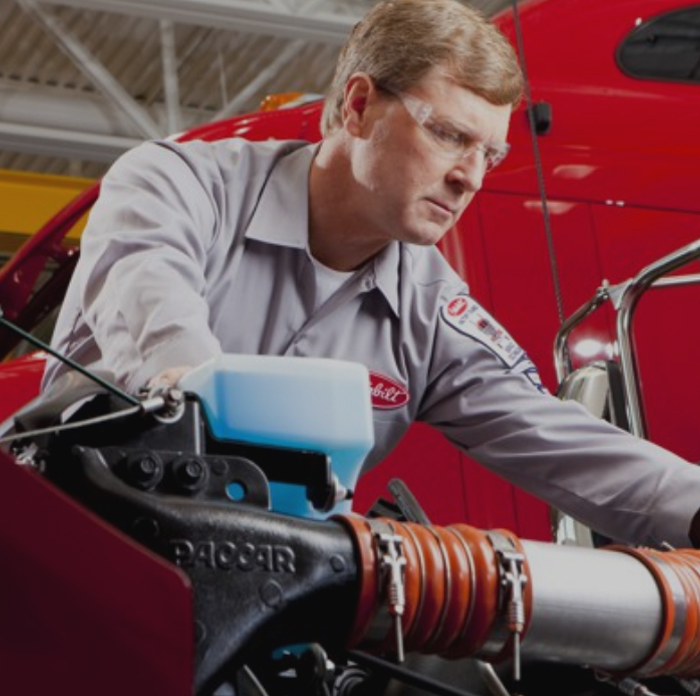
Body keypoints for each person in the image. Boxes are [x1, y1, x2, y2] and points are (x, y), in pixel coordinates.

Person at [43, 0, 700, 549]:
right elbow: (157, 321)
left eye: (490, 153)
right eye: (447, 134)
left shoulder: (430, 310)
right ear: (358, 106)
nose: (470, 177)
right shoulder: (176, 185)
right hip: (77, 557)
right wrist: (195, 389)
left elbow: (572, 448)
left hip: (261, 599)